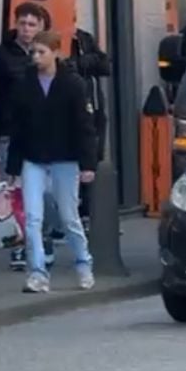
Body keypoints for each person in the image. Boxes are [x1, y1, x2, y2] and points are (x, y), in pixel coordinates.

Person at [5, 31, 99, 294]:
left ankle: (83, 263)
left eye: (41, 52)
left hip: (65, 158)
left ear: (56, 53)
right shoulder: (25, 84)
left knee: (69, 217)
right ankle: (37, 273)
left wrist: (88, 163)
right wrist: (13, 167)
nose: (36, 57)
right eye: (33, 52)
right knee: (33, 219)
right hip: (33, 158)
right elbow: (17, 128)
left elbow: (84, 127)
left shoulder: (72, 84)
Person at [0, 2, 45, 271]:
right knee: (15, 191)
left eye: (32, 24)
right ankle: (20, 245)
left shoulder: (44, 54)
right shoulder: (2, 56)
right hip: (10, 131)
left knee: (40, 192)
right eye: (22, 23)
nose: (26, 29)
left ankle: (39, 243)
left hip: (41, 132)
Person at [68, 16, 111, 230]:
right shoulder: (53, 41)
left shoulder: (84, 38)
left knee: (92, 157)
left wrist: (85, 61)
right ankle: (74, 213)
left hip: (92, 107)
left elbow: (105, 65)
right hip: (68, 110)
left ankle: (89, 212)